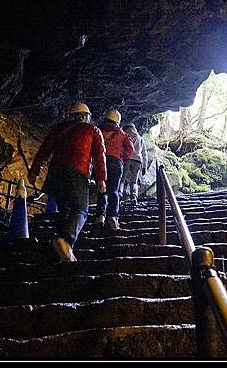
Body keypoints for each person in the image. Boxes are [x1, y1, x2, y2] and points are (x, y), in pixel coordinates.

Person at [28, 102, 106, 262]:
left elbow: (44, 150)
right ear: (87, 117)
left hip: (55, 174)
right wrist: (101, 179)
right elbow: (99, 156)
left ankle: (60, 251)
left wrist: (34, 171)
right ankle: (66, 241)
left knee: (64, 210)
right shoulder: (92, 130)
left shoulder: (59, 129)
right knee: (80, 210)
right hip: (77, 172)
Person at [94, 108, 134, 230]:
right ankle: (112, 216)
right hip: (115, 163)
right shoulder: (122, 134)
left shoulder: (98, 130)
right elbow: (130, 148)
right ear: (118, 121)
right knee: (113, 190)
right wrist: (121, 156)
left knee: (102, 188)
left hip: (100, 161)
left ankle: (100, 216)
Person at [120, 122, 148, 204]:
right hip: (138, 161)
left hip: (126, 159)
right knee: (134, 181)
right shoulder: (140, 138)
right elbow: (144, 153)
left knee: (122, 179)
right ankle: (134, 196)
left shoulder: (124, 135)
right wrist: (144, 167)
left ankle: (120, 194)